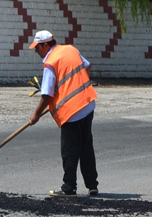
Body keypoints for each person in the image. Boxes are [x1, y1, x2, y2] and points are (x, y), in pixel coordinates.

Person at [28, 30, 99, 197]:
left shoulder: (50, 63)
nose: (36, 51)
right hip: (87, 105)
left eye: (37, 48)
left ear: (45, 45)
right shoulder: (70, 49)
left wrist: (36, 115)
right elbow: (87, 66)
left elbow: (46, 94)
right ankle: (92, 185)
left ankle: (69, 187)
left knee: (70, 150)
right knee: (86, 147)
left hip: (71, 111)